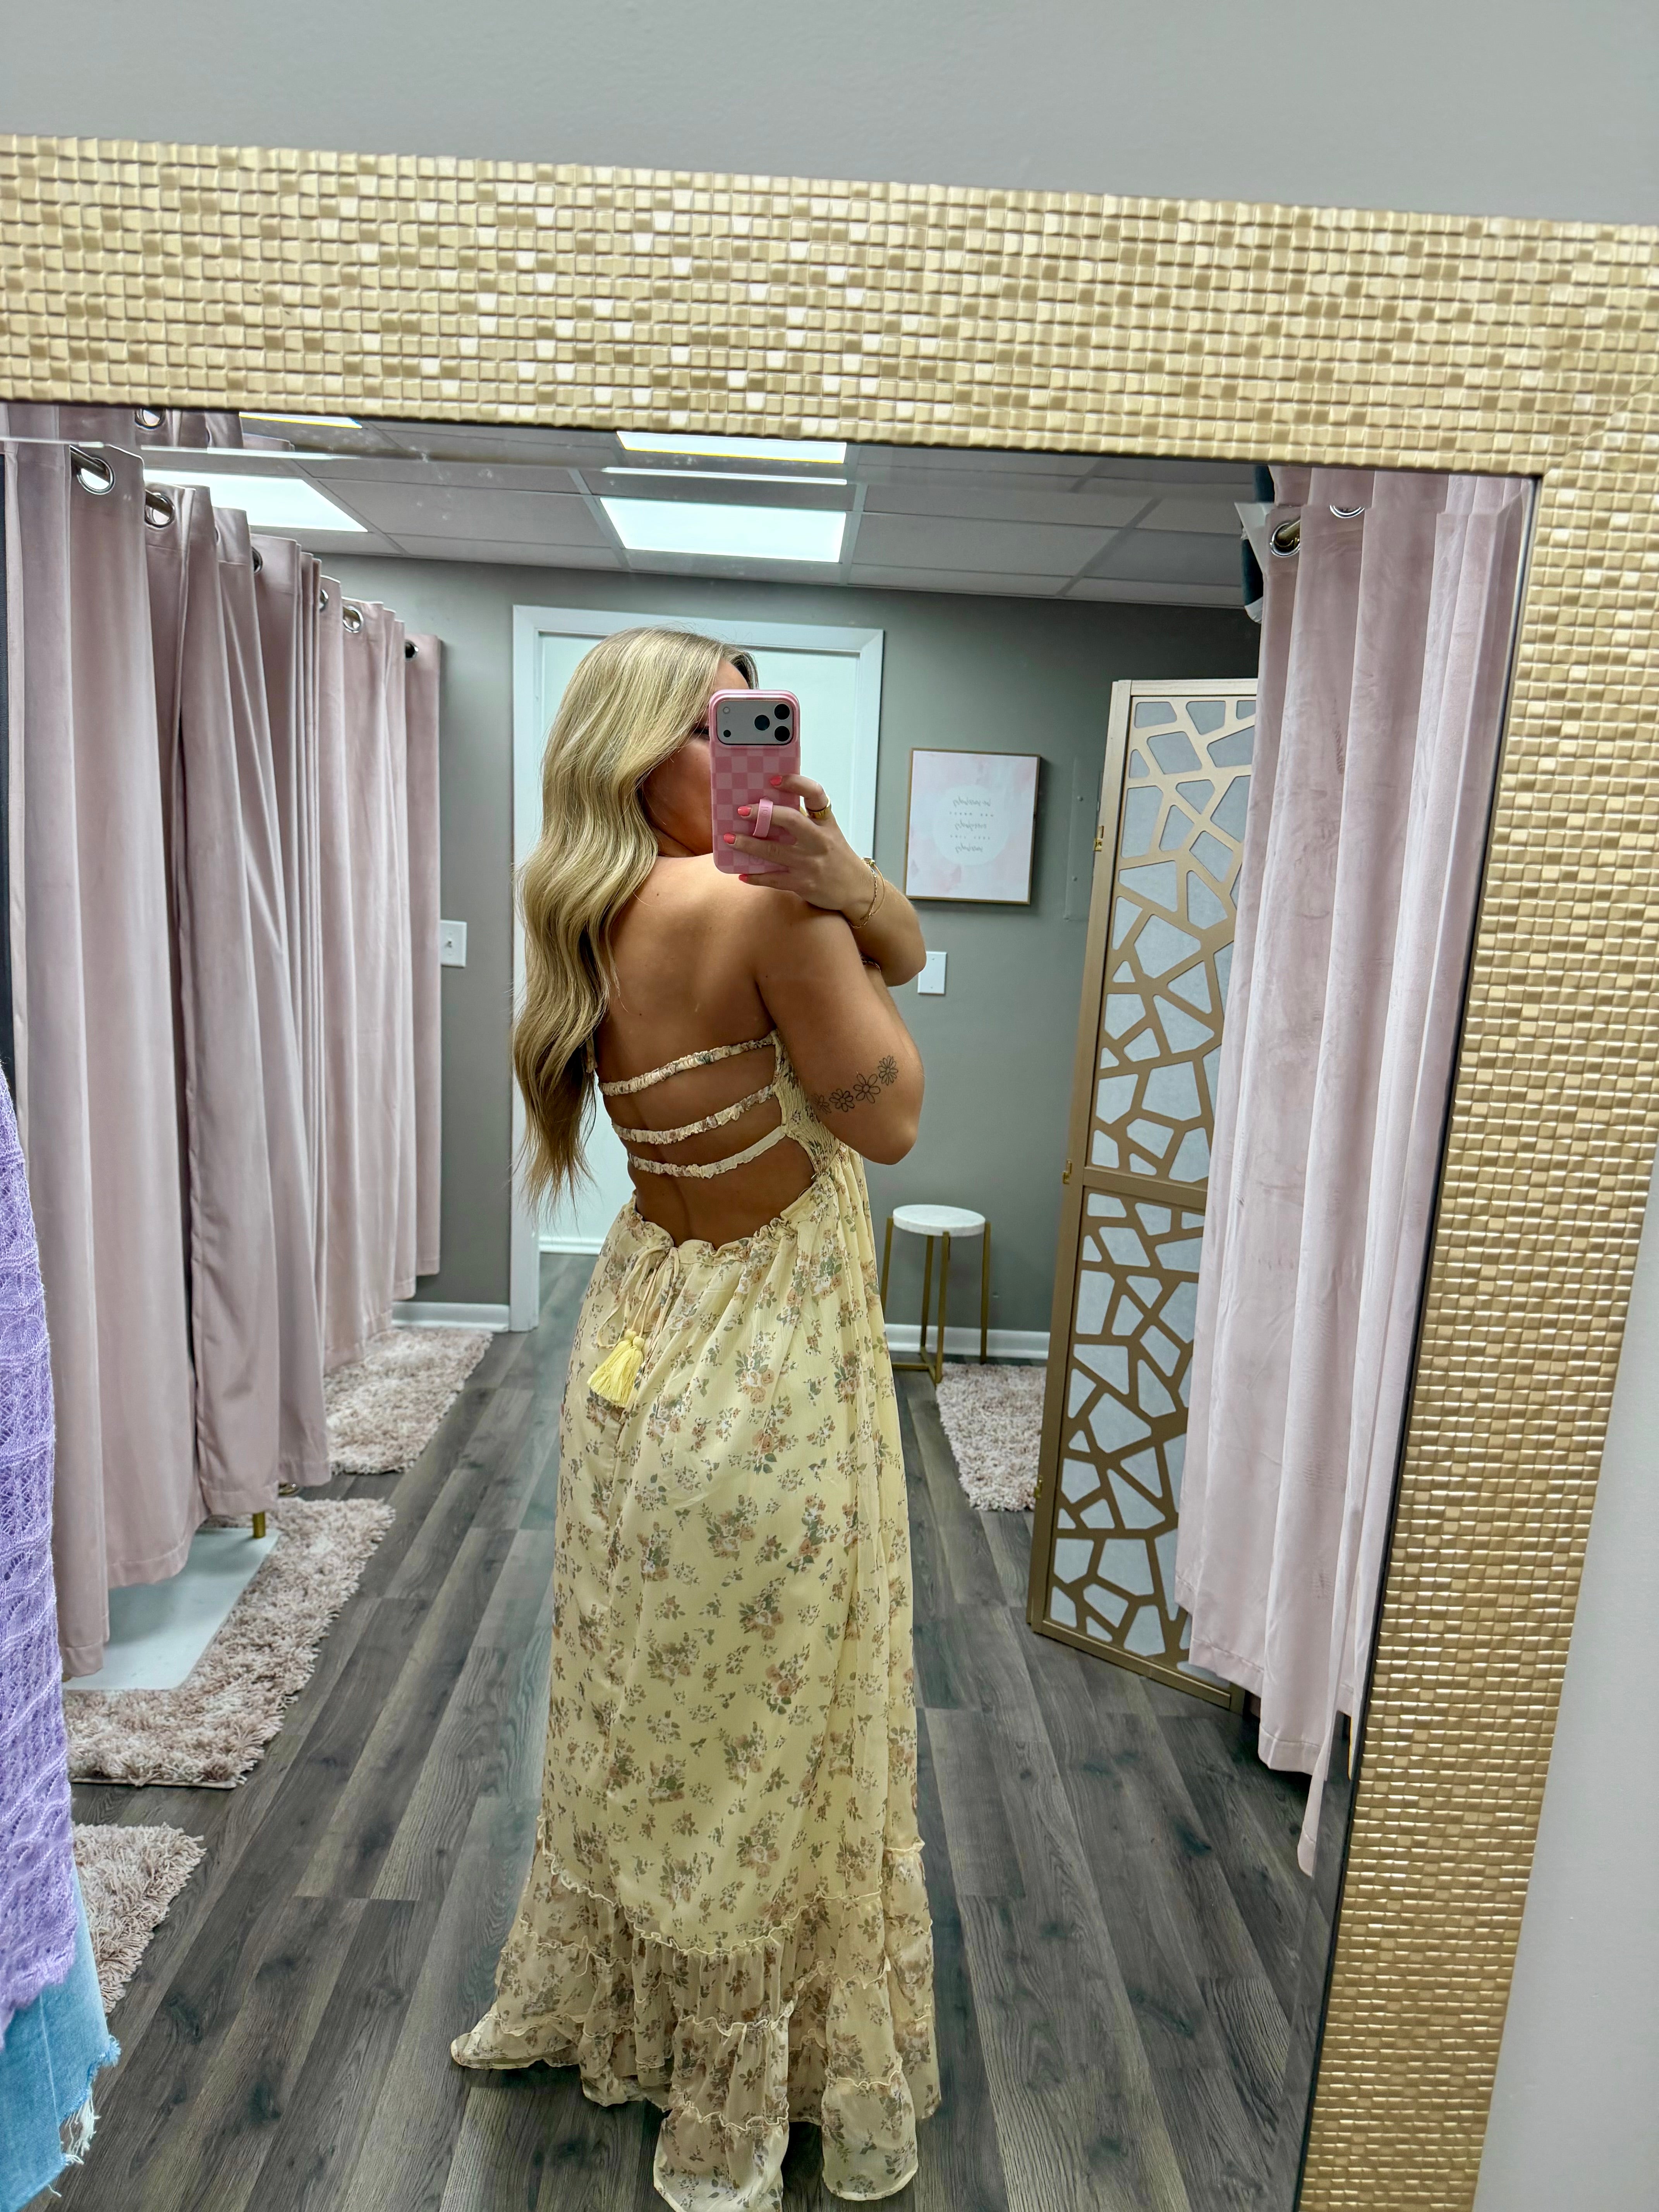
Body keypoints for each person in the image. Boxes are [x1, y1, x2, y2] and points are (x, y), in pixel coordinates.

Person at [453, 627, 941, 2210]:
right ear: (637, 752)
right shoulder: (754, 909)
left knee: (651, 1710)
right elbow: (893, 1118)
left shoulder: (586, 909)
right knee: (765, 1738)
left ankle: (635, 2012)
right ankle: (742, 2079)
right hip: (771, 1370)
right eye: (715, 726)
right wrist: (820, 910)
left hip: (650, 1336)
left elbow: (902, 945)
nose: (751, 749)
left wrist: (847, 883)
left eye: (756, 719)